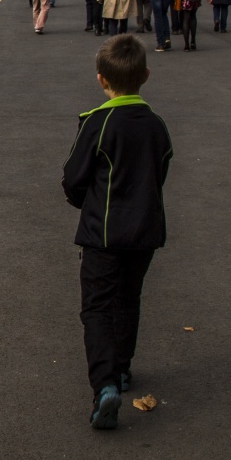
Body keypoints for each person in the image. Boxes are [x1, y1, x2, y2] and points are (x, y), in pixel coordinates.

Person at [61, 34, 173, 430]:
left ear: (101, 80)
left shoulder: (98, 121)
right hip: (145, 231)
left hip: (103, 232)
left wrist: (86, 204)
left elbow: (73, 178)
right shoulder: (157, 125)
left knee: (96, 307)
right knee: (128, 298)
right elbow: (160, 170)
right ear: (145, 74)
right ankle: (123, 370)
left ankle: (105, 384)